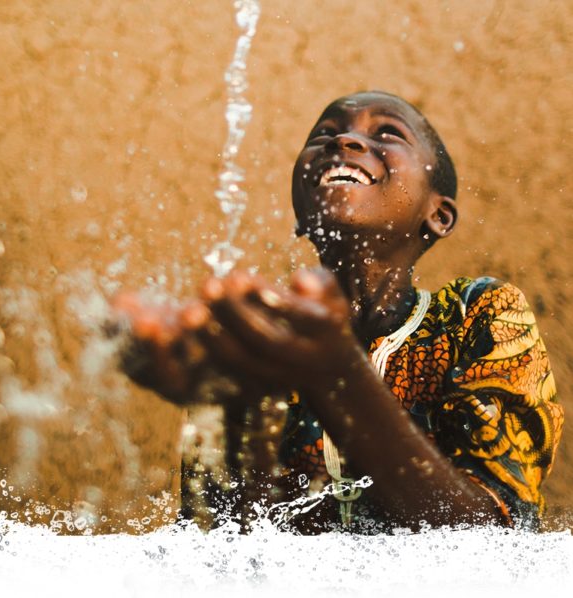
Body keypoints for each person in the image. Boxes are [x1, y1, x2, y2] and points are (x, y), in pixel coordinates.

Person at [114, 91, 563, 532]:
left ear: (438, 215)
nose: (344, 142)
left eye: (388, 132)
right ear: (300, 212)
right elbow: (222, 546)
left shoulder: (477, 315)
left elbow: (495, 540)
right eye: (325, 133)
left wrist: (334, 373)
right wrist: (232, 406)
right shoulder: (255, 338)